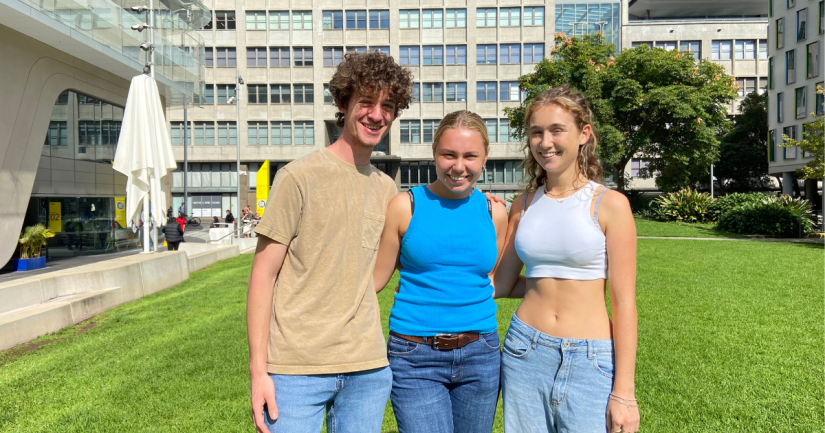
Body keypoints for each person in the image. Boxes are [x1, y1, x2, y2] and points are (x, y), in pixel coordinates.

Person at [247, 50, 414, 433]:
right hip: (294, 369)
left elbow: (378, 273)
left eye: (387, 105)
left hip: (367, 369)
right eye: (367, 102)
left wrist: (478, 199)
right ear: (343, 103)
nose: (377, 114)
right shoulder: (297, 177)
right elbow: (263, 275)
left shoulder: (388, 189)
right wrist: (259, 371)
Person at [493, 85, 640, 433]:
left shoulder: (610, 204)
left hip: (592, 359)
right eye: (536, 132)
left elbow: (623, 302)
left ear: (583, 134)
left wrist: (624, 393)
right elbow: (501, 283)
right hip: (523, 352)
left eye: (557, 130)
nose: (546, 142)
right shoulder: (523, 205)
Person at [373, 111, 507, 433]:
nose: (459, 166)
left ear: (485, 158)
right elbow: (375, 279)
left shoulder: (495, 211)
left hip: (481, 354)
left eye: (470, 156)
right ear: (435, 153)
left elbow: (491, 279)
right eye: (449, 154)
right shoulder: (405, 205)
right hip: (414, 355)